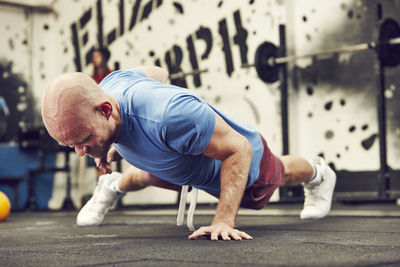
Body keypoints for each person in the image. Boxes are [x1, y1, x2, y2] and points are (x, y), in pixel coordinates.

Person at [41, 66, 336, 241]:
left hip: (244, 161)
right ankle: (112, 186)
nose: (80, 153)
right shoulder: (108, 89)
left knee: (271, 179)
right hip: (172, 160)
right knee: (143, 175)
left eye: (84, 140)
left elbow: (239, 149)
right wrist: (104, 142)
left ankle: (319, 173)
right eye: (71, 145)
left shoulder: (171, 117)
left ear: (106, 111)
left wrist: (223, 221)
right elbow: (157, 72)